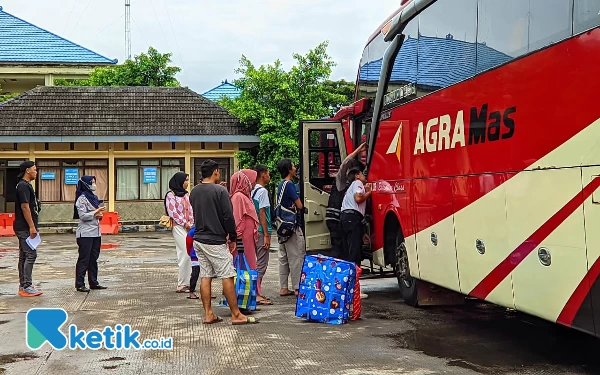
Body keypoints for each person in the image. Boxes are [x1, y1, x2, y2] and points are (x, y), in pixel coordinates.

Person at [190, 159, 257, 325]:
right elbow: (228, 217)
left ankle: (208, 314)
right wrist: (232, 237)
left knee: (206, 275)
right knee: (227, 275)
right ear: (215, 172)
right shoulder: (220, 191)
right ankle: (236, 314)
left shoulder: (194, 191)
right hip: (215, 240)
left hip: (199, 238)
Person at [326, 142, 367, 259]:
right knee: (339, 249)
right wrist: (359, 149)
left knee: (344, 248)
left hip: (340, 219)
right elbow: (345, 163)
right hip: (336, 218)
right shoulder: (342, 181)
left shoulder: (353, 185)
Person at [276, 159, 306, 297]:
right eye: (293, 166)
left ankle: (283, 287)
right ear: (289, 170)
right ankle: (297, 287)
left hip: (281, 225)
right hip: (291, 226)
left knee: (283, 257)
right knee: (296, 257)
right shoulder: (290, 185)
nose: (295, 168)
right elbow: (299, 205)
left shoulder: (280, 184)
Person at [74, 176, 107, 292]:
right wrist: (96, 212)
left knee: (94, 258)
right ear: (86, 184)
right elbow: (82, 216)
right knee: (84, 259)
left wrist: (99, 216)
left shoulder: (94, 197)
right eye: (92, 182)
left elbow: (95, 215)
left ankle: (93, 282)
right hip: (85, 233)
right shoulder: (81, 199)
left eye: (94, 182)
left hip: (96, 233)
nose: (94, 184)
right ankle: (80, 283)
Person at [14, 161, 42, 297]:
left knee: (24, 255)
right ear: (27, 170)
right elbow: (25, 207)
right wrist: (31, 226)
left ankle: (24, 284)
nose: (36, 172)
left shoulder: (26, 185)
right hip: (24, 227)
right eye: (34, 170)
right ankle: (26, 286)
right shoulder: (23, 186)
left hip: (24, 226)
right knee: (31, 254)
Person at [165, 172, 194, 294]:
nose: (187, 183)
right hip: (179, 227)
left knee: (191, 254)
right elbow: (173, 212)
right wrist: (185, 223)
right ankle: (182, 284)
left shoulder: (186, 195)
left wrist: (191, 222)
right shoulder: (171, 195)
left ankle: (189, 282)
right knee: (184, 253)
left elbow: (192, 209)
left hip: (190, 227)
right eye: (185, 180)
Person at [340, 168, 372, 265]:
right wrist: (369, 193)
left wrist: (362, 232)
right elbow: (358, 198)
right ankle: (354, 276)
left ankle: (350, 276)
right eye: (362, 173)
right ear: (357, 175)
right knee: (355, 252)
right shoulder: (358, 183)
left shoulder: (350, 188)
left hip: (346, 218)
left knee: (349, 250)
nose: (364, 176)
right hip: (352, 218)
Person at [230, 169, 259, 270]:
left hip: (246, 239)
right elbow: (237, 220)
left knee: (249, 265)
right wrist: (237, 239)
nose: (254, 183)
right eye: (253, 180)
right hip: (242, 240)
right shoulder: (238, 197)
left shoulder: (245, 196)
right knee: (245, 267)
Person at [252, 165, 273, 305]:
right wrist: (266, 234)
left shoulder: (252, 190)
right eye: (268, 173)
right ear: (262, 174)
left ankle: (256, 291)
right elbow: (262, 212)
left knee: (255, 262)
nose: (269, 176)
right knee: (262, 263)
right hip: (261, 230)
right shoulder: (263, 191)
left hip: (253, 230)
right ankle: (257, 293)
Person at [186, 226, 200, 300]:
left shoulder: (193, 230)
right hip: (195, 255)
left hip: (201, 255)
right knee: (195, 274)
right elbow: (188, 242)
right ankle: (191, 291)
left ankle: (208, 292)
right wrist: (190, 252)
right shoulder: (193, 230)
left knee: (208, 275)